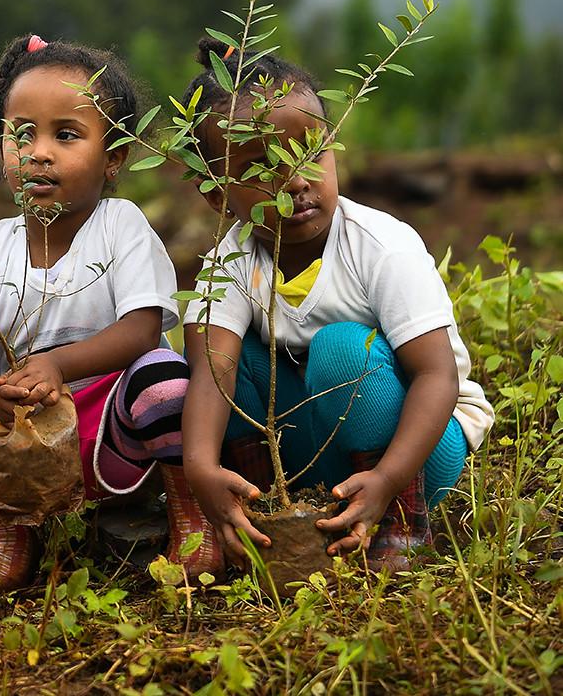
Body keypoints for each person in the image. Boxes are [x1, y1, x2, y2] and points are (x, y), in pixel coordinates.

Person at [179, 40, 493, 571]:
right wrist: (199, 467)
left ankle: (397, 521)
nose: (296, 181)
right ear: (216, 193)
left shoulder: (380, 245)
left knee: (341, 349)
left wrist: (389, 481)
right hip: (315, 451)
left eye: (310, 153)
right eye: (262, 168)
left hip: (417, 450)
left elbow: (436, 376)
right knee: (221, 359)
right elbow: (215, 376)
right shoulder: (228, 262)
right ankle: (264, 504)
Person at [0, 35, 219, 591]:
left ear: (113, 158)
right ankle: (7, 538)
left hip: (110, 429)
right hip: (22, 432)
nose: (39, 151)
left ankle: (191, 521)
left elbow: (142, 328)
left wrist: (58, 365)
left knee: (163, 380)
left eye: (66, 135)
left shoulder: (120, 224)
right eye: (22, 134)